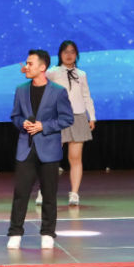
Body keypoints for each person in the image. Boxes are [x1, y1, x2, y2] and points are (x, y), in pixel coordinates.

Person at [7, 49, 74, 250]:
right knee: (21, 193)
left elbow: (67, 118)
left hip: (49, 149)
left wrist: (44, 126)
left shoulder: (58, 91)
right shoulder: (21, 90)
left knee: (49, 194)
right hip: (25, 148)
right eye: (27, 63)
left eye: (30, 64)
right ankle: (15, 232)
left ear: (42, 67)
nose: (26, 67)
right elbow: (15, 116)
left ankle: (47, 232)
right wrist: (22, 123)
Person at [46, 40, 95, 207]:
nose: (69, 55)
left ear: (77, 55)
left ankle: (74, 193)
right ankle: (44, 191)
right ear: (60, 54)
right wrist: (29, 71)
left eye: (72, 51)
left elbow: (86, 96)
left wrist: (92, 117)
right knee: (50, 158)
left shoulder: (81, 74)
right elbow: (38, 80)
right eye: (65, 52)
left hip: (78, 117)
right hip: (57, 118)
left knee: (75, 158)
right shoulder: (52, 72)